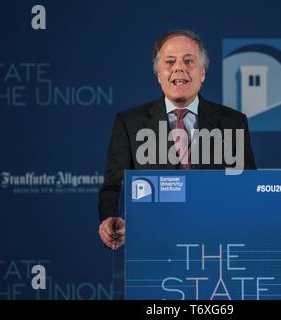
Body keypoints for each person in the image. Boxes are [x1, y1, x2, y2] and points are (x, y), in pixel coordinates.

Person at [98, 29, 256, 250]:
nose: (178, 68)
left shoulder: (233, 123)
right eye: (170, 61)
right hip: (153, 248)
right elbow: (113, 187)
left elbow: (246, 190)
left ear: (202, 73)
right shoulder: (129, 122)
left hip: (215, 247)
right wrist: (110, 219)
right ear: (158, 74)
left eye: (188, 61)